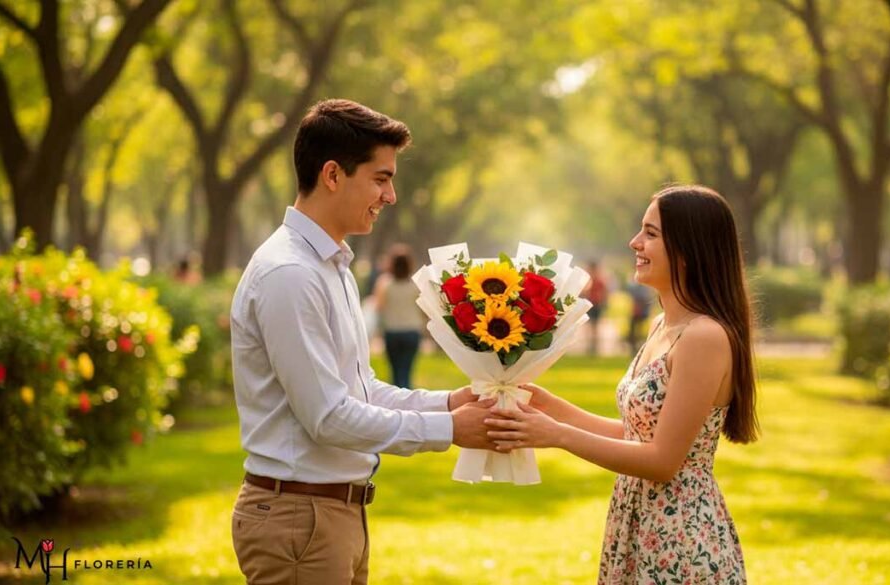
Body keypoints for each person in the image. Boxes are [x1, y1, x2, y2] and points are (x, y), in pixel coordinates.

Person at [229, 99, 494, 585]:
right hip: (298, 519)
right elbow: (328, 417)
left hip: (329, 515)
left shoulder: (332, 266)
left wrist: (450, 403)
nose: (391, 195)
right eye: (380, 178)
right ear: (332, 174)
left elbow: (362, 390)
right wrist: (451, 431)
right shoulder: (291, 273)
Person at [488, 185, 759, 584]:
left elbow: (663, 461)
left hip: (680, 540)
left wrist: (558, 435)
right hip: (639, 523)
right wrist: (549, 407)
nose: (635, 242)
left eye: (651, 233)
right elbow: (638, 435)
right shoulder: (662, 326)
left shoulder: (705, 337)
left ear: (688, 250)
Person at [373, 244, 423, 389]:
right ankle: (408, 398)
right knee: (407, 370)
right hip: (412, 331)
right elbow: (423, 309)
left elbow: (379, 307)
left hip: (392, 331)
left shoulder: (384, 283)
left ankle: (397, 403)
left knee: (394, 371)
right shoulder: (415, 285)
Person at [583, 260, 608, 355]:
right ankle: (590, 346)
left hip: (596, 304)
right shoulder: (590, 279)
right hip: (591, 303)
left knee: (595, 326)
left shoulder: (598, 280)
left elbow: (604, 292)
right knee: (590, 326)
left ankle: (594, 346)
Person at [625, 280, 652, 355]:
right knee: (634, 331)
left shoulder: (642, 288)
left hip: (641, 313)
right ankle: (634, 347)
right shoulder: (641, 287)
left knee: (637, 331)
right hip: (637, 313)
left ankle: (637, 347)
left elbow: (643, 300)